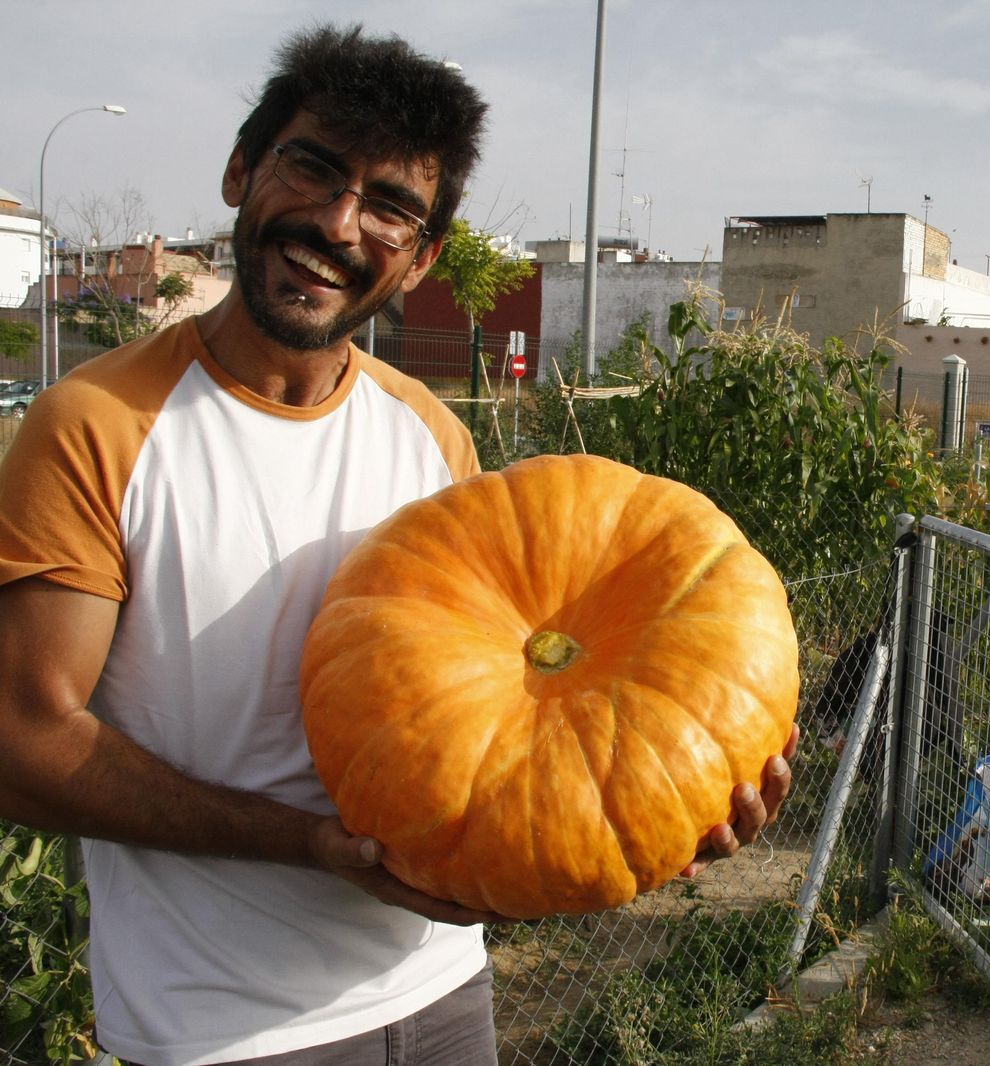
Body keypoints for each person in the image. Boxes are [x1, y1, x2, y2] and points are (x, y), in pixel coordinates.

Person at [0, 25, 795, 1066]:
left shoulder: (429, 431)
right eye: (313, 168)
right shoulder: (96, 425)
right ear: (242, 171)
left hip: (439, 995)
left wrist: (679, 797)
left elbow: (490, 717)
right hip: (218, 1027)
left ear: (419, 258)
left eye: (389, 207)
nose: (337, 223)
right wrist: (311, 847)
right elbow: (20, 749)